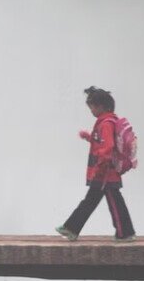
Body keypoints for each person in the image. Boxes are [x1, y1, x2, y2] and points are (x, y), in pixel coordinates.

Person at [55, 86, 135, 241]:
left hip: (105, 174)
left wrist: (99, 167)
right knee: (92, 201)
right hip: (104, 174)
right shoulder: (107, 122)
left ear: (101, 107)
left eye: (92, 107)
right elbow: (103, 142)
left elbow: (108, 147)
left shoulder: (105, 124)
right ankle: (71, 228)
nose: (91, 110)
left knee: (114, 203)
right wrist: (90, 138)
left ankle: (124, 234)